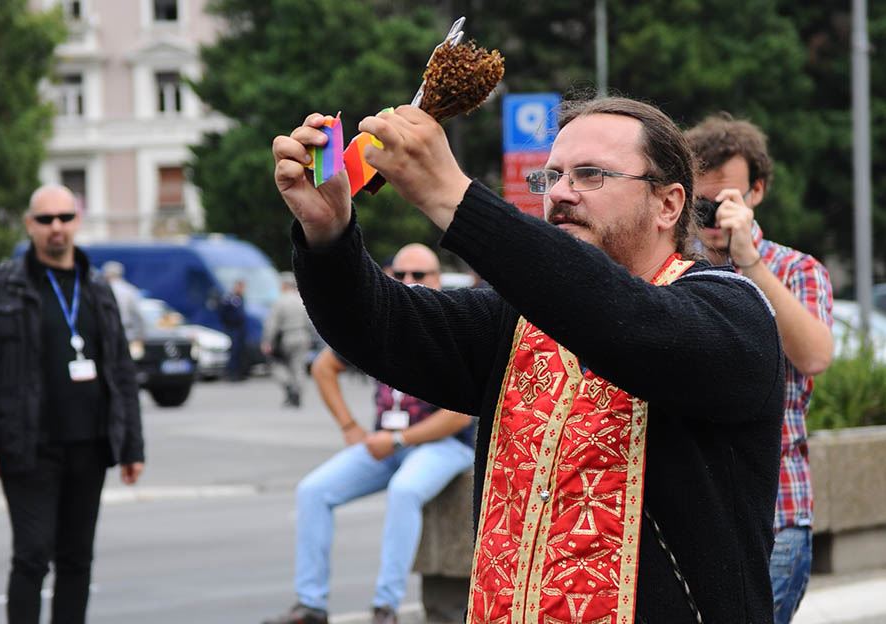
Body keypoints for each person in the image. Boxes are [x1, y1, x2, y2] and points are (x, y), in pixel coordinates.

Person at [272, 97, 785, 622]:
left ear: (668, 204)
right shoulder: (515, 320)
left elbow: (628, 326)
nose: (561, 193)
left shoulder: (733, 314)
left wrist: (454, 196)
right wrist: (328, 234)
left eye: (590, 175)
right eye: (553, 176)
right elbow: (381, 327)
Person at [0, 184, 144, 624]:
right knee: (33, 554)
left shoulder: (97, 288)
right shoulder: (0, 289)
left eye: (64, 218)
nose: (55, 227)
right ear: (30, 225)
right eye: (45, 220)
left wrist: (132, 446)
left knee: (77, 558)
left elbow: (120, 370)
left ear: (77, 222)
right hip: (28, 446)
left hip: (91, 444)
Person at [262, 244, 476, 624]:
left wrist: (397, 441)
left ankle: (385, 607)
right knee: (313, 491)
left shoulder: (453, 323)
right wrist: (349, 426)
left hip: (443, 446)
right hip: (384, 444)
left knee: (404, 491)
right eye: (400, 274)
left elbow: (460, 415)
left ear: (438, 280)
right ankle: (310, 605)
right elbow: (323, 368)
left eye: (420, 275)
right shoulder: (382, 321)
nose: (409, 282)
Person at [686, 114, 834, 624]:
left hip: (777, 515)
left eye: (724, 199)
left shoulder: (796, 269)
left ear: (757, 191)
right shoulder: (674, 271)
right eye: (699, 200)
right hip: (692, 512)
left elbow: (814, 355)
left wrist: (750, 262)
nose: (711, 215)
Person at [261, 272, 314, 407]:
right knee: (299, 367)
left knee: (278, 365)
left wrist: (267, 341)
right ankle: (298, 394)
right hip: (303, 335)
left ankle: (289, 386)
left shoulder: (280, 301)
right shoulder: (302, 300)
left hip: (287, 336)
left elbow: (272, 324)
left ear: (284, 285)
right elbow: (311, 321)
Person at [101, 260, 145, 342]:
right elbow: (138, 315)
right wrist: (139, 337)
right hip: (127, 334)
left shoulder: (100, 290)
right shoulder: (130, 290)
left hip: (106, 334)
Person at [220, 279, 249, 380]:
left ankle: (239, 373)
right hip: (232, 328)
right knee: (234, 351)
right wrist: (229, 323)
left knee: (240, 351)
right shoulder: (229, 298)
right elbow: (223, 313)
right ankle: (231, 373)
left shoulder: (240, 298)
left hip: (240, 328)